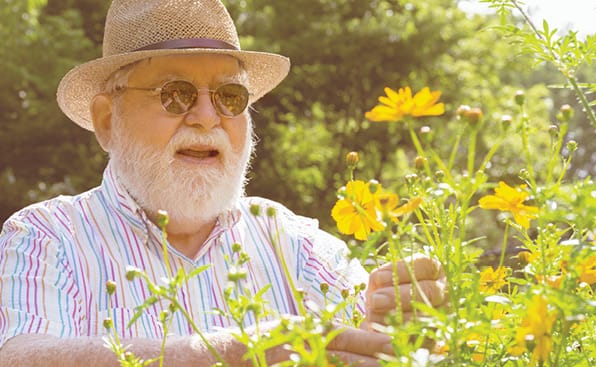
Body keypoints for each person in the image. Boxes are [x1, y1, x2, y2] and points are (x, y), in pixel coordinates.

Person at [0, 0, 446, 366]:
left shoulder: (300, 245)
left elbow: (373, 341)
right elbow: (18, 356)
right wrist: (225, 353)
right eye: (175, 94)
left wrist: (394, 331)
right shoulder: (47, 235)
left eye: (231, 96)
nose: (208, 117)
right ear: (105, 120)